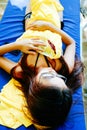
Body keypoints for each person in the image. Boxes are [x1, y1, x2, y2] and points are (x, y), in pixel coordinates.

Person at [0, 0, 84, 130]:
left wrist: (17, 45)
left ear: (35, 88)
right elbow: (71, 43)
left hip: (31, 17)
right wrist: (50, 27)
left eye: (48, 77)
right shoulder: (64, 67)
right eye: (60, 78)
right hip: (54, 18)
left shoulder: (22, 71)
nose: (52, 71)